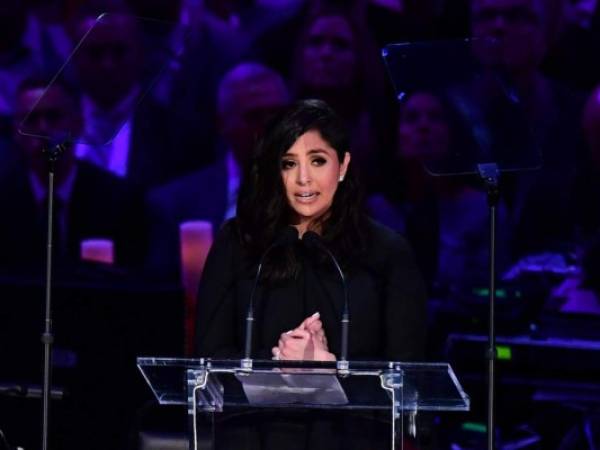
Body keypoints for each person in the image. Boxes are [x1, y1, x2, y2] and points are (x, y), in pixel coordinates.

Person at [194, 99, 427, 449]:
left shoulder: (386, 252)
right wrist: (277, 369)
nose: (304, 179)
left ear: (343, 165)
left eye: (318, 160)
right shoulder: (238, 243)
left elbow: (409, 381)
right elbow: (209, 361)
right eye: (289, 163)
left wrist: (329, 370)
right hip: (255, 439)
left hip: (351, 440)